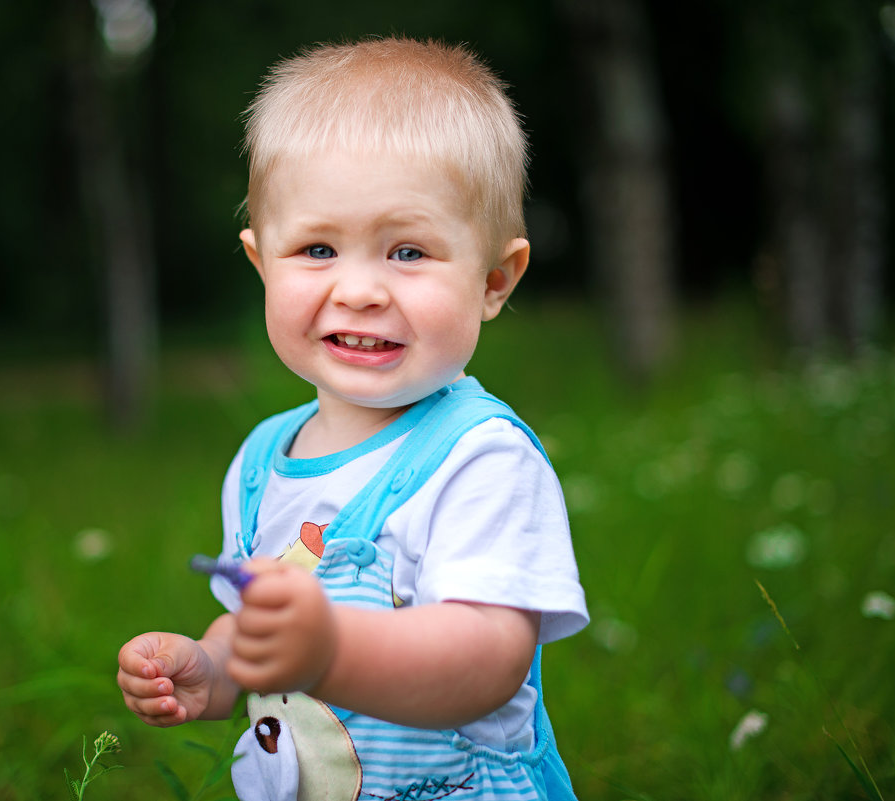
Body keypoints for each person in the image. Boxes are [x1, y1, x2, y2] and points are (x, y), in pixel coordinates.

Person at [117, 36, 588, 801]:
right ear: (261, 263)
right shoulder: (263, 459)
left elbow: (486, 658)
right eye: (316, 248)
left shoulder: (480, 460)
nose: (359, 289)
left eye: (406, 251)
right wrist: (212, 667)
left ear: (494, 280)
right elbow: (260, 627)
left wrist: (330, 648)